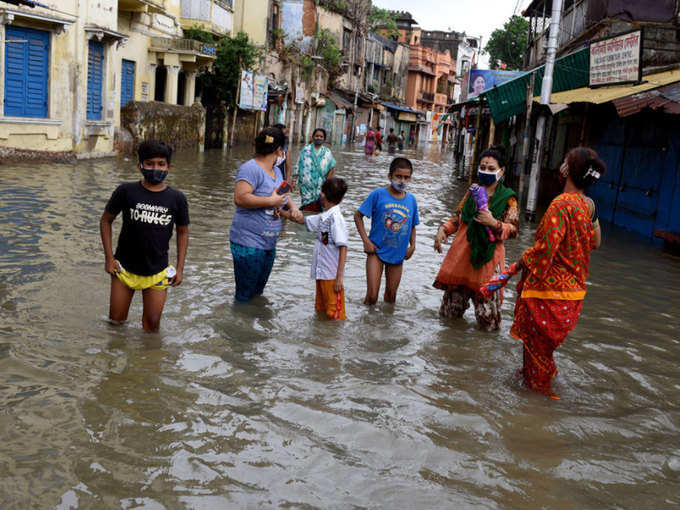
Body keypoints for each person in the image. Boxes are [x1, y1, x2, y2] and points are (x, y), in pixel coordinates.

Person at [509, 147, 605, 399]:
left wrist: (519, 262)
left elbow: (543, 253)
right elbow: (594, 243)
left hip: (548, 296)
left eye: (564, 162)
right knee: (541, 356)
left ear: (569, 170)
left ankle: (538, 413)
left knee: (536, 368)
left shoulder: (561, 204)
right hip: (571, 298)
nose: (560, 166)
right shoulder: (587, 206)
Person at [100, 140, 189, 332]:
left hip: (157, 270)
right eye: (149, 163)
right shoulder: (126, 191)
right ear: (140, 165)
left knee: (152, 324)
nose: (155, 168)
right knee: (116, 322)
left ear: (169, 167)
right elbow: (105, 221)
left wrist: (180, 268)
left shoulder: (177, 199)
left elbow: (182, 232)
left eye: (160, 164)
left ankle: (150, 361)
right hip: (123, 269)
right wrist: (109, 258)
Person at [433, 145, 518, 331]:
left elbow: (513, 230)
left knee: (488, 322)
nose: (485, 171)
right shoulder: (472, 192)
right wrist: (443, 230)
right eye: (483, 167)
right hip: (461, 260)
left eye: (491, 168)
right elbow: (458, 218)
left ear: (501, 171)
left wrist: (493, 223)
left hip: (488, 264)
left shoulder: (508, 199)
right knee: (449, 318)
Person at [229, 127, 303, 302]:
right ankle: (240, 325)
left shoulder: (276, 171)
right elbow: (240, 198)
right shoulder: (250, 169)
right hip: (248, 242)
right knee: (245, 295)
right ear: (279, 150)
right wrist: (271, 202)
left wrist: (291, 208)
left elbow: (281, 193)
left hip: (268, 243)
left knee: (257, 293)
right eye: (283, 150)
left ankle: (251, 326)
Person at [354, 157, 419, 305]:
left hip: (397, 254)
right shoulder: (378, 194)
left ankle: (385, 327)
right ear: (390, 176)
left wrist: (413, 246)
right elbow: (358, 216)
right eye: (398, 176)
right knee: (372, 296)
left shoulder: (411, 200)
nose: (402, 181)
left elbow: (412, 225)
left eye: (406, 177)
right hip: (375, 251)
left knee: (391, 297)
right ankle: (365, 324)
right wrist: (366, 241)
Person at [292, 177, 349, 320]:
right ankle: (322, 339)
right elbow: (302, 220)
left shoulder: (336, 219)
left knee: (335, 316)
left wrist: (339, 278)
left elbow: (343, 248)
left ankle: (332, 340)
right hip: (321, 274)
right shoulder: (324, 217)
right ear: (341, 199)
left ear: (322, 195)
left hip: (331, 276)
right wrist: (282, 211)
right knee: (321, 310)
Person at [294, 128, 336, 212]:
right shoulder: (305, 150)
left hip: (321, 186)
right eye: (317, 136)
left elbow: (331, 167)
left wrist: (327, 186)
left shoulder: (327, 152)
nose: (319, 138)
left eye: (321, 136)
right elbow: (298, 166)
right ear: (313, 137)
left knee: (320, 210)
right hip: (306, 187)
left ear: (324, 139)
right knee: (307, 210)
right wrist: (293, 181)